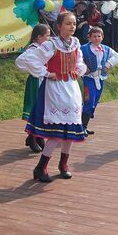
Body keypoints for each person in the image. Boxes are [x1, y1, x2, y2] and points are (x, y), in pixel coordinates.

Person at [18, 11, 87, 182]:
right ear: (59, 26)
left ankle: (63, 164)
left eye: (74, 23)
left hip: (71, 89)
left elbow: (79, 62)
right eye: (68, 23)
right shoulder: (51, 45)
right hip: (55, 90)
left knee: (70, 130)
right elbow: (29, 60)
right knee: (56, 133)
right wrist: (46, 73)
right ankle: (40, 167)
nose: (72, 26)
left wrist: (79, 69)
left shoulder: (76, 43)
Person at [15, 24, 51, 153]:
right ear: (39, 37)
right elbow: (19, 62)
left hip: (45, 81)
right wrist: (34, 71)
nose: (49, 38)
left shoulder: (44, 48)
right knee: (36, 109)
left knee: (43, 109)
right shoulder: (33, 49)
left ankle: (38, 136)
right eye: (47, 35)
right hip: (36, 81)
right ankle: (32, 137)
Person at [80, 26, 118, 136]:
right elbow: (77, 60)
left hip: (101, 79)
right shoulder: (83, 48)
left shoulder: (106, 49)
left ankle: (84, 125)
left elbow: (116, 56)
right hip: (89, 79)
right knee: (89, 101)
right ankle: (81, 127)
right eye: (94, 36)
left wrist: (109, 64)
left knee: (95, 101)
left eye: (99, 36)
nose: (96, 38)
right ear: (89, 37)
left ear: (102, 37)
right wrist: (84, 68)